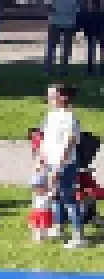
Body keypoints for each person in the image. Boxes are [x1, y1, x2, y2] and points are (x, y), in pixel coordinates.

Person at [38, 83, 88, 249]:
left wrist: (58, 167)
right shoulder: (51, 115)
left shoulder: (69, 118)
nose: (49, 99)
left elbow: (68, 144)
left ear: (63, 97)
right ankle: (59, 228)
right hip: (50, 162)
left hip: (64, 164)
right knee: (56, 197)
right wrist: (42, 159)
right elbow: (45, 139)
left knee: (69, 199)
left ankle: (79, 236)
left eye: (52, 96)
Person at [39, 0, 83, 75]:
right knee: (66, 46)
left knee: (51, 46)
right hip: (70, 19)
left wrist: (48, 7)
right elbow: (80, 4)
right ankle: (64, 69)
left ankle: (48, 68)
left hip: (55, 18)